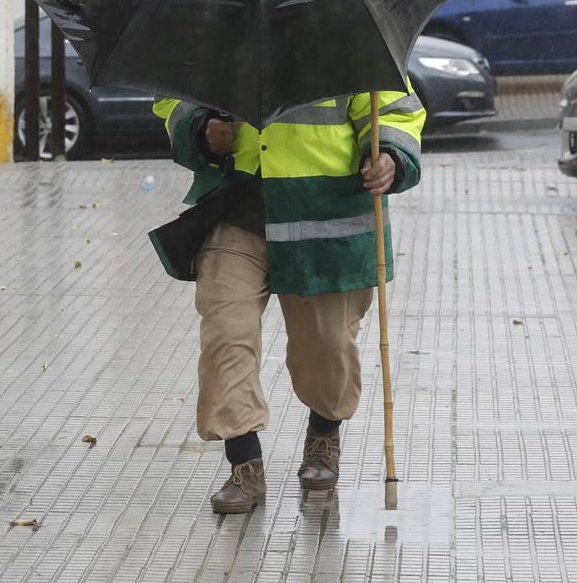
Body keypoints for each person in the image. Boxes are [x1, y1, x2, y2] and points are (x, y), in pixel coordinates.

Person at [150, 92, 425, 513]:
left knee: (328, 343)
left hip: (325, 212)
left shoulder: (350, 31)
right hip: (235, 209)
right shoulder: (215, 27)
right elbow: (174, 95)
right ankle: (244, 462)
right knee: (227, 332)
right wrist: (201, 129)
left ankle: (323, 431)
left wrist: (390, 155)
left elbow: (395, 110)